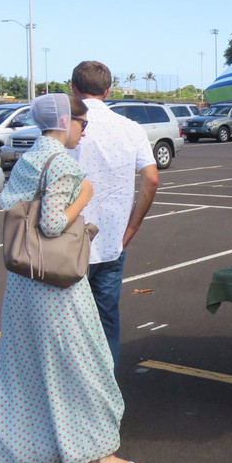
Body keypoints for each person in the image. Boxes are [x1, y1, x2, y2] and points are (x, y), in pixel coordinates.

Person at [0, 93, 150, 463]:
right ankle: (101, 460)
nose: (83, 132)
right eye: (82, 124)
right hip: (57, 287)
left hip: (23, 282)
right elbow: (52, 224)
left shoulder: (30, 157)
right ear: (67, 121)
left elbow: (9, 203)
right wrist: (84, 196)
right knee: (87, 366)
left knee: (19, 373)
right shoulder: (64, 164)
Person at [70, 61, 159, 368]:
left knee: (69, 323)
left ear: (73, 88)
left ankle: (73, 391)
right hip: (112, 241)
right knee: (106, 318)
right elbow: (151, 179)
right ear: (107, 91)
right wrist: (130, 230)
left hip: (69, 243)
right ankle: (107, 388)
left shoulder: (67, 127)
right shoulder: (131, 128)